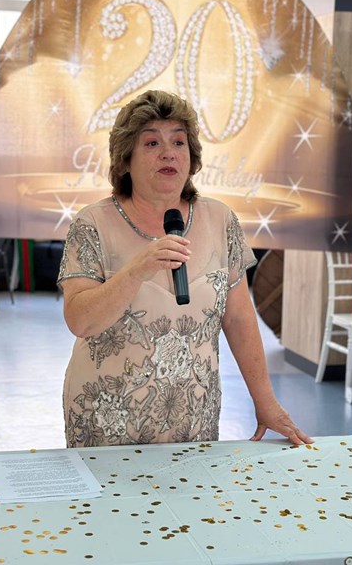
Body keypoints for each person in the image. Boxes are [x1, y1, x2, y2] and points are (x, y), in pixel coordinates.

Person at [57, 89, 313, 448]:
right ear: (125, 159)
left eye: (179, 142)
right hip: (106, 419)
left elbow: (239, 318)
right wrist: (136, 270)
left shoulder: (220, 220)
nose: (168, 153)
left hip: (192, 419)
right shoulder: (92, 224)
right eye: (151, 143)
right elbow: (79, 320)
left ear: (191, 158)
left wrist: (266, 401)